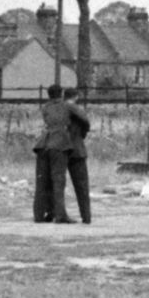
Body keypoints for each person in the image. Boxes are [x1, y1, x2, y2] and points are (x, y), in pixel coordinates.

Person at [33, 84, 81, 224]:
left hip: (43, 144)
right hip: (59, 144)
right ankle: (60, 215)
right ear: (61, 94)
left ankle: (39, 215)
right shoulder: (67, 106)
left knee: (41, 182)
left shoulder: (46, 107)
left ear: (48, 94)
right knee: (58, 181)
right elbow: (83, 118)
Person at [64, 86, 93, 225]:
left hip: (61, 149)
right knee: (81, 185)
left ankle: (57, 213)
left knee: (57, 184)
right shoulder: (76, 109)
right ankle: (86, 216)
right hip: (77, 149)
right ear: (76, 96)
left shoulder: (59, 109)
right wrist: (82, 133)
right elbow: (86, 123)